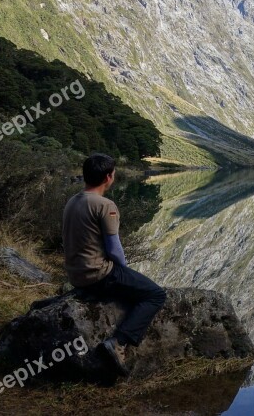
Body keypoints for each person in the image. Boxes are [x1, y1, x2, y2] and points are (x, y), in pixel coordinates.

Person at [62, 153, 166, 376]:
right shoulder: (105, 205)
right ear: (108, 177)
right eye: (114, 174)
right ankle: (119, 342)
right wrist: (124, 271)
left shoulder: (73, 200)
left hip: (75, 275)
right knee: (156, 294)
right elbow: (114, 249)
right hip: (98, 275)